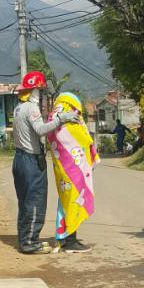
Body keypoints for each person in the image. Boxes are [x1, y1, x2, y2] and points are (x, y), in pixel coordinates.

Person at [12, 71, 79, 254]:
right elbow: (40, 130)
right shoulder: (31, 108)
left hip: (19, 159)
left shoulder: (18, 107)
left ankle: (25, 239)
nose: (42, 94)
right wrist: (61, 119)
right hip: (31, 160)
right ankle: (30, 243)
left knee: (24, 202)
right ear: (34, 90)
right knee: (35, 201)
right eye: (40, 90)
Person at [47, 92, 100, 253]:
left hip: (63, 168)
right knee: (73, 200)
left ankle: (63, 236)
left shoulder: (55, 116)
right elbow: (80, 140)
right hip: (72, 169)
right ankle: (70, 241)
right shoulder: (68, 118)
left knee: (66, 201)